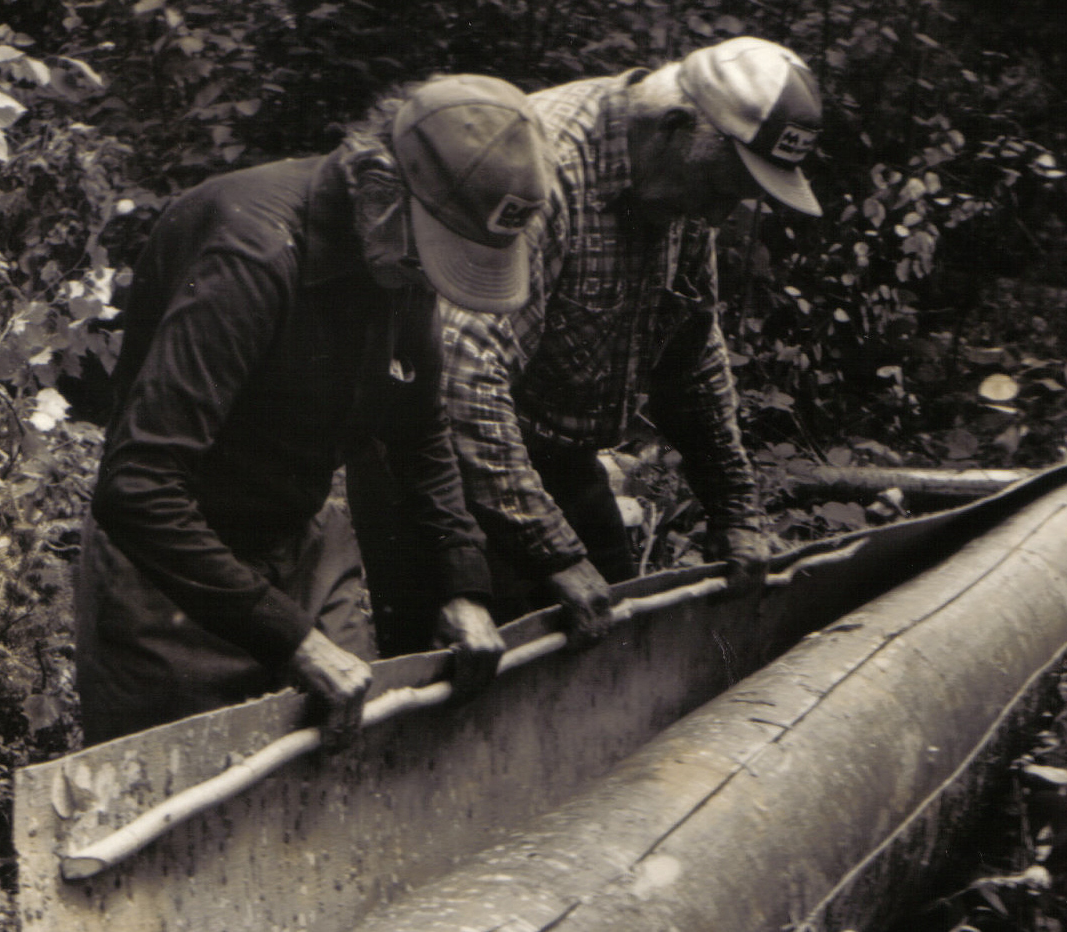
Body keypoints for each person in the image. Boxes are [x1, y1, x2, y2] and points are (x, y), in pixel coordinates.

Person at [75, 74, 551, 746]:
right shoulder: (253, 255)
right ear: (382, 187)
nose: (427, 283)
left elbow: (418, 433)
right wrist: (292, 639)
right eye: (427, 261)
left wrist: (462, 580)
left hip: (299, 538)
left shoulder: (398, 252)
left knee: (345, 766)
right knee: (178, 809)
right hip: (173, 571)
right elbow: (137, 488)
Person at [350, 37, 824, 643]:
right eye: (723, 187)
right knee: (463, 687)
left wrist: (735, 509)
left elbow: (690, 353)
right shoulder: (543, 168)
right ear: (676, 129)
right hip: (438, 472)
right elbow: (466, 377)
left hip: (557, 460)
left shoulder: (680, 190)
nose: (719, 214)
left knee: (614, 646)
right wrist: (553, 555)